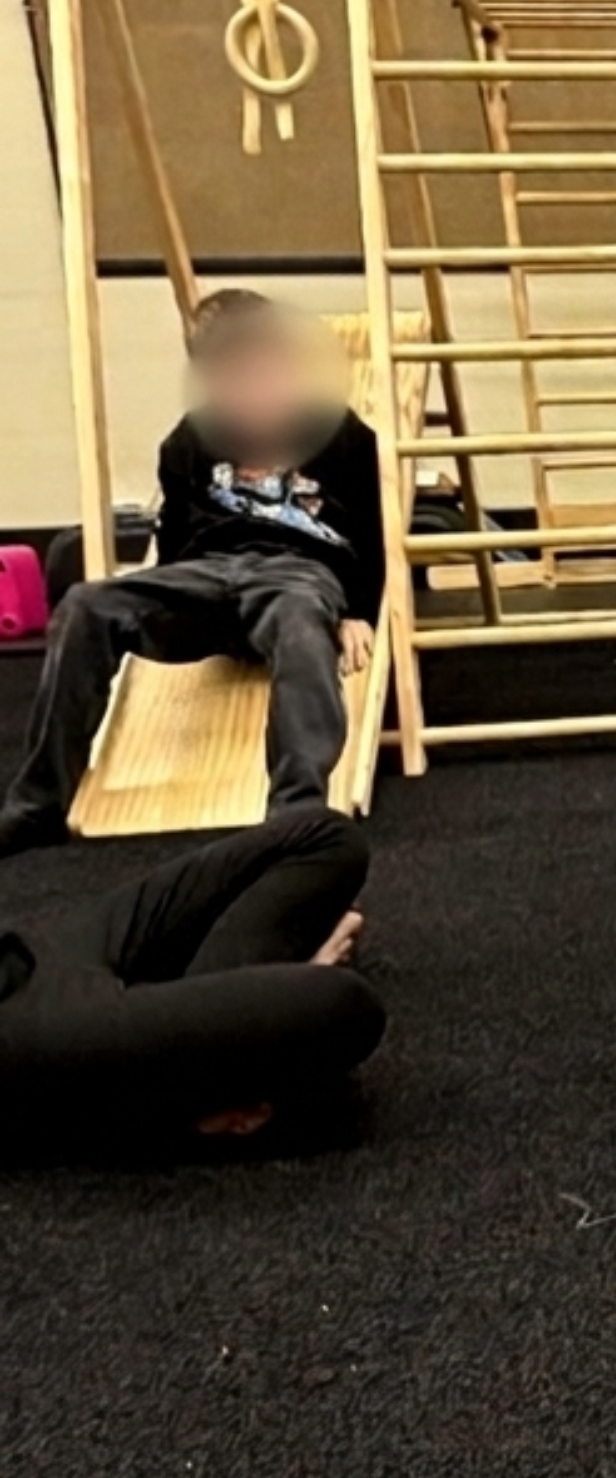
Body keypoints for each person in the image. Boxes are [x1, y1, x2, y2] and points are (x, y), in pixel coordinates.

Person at [0, 290, 386, 860]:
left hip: (296, 574)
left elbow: (372, 533)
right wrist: (166, 602)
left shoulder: (341, 433)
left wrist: (358, 611)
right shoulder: (187, 442)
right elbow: (176, 544)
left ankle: (297, 811)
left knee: (300, 617)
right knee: (84, 603)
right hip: (206, 573)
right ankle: (37, 805)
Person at [0, 808, 386, 1143]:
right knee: (346, 1005)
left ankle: (207, 1062)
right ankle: (191, 1089)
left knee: (329, 838)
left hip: (22, 950)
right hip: (21, 1024)